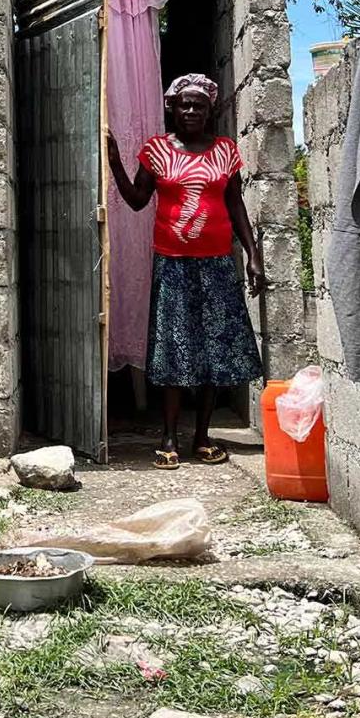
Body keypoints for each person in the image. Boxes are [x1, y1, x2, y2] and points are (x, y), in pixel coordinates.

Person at [106, 73, 265, 467]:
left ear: (210, 110)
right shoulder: (157, 151)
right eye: (184, 105)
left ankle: (202, 437)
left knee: (213, 350)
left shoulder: (226, 151)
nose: (191, 111)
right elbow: (139, 200)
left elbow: (236, 205)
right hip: (173, 265)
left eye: (199, 105)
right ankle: (169, 438)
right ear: (172, 109)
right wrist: (115, 165)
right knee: (175, 352)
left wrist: (253, 254)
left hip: (216, 266)